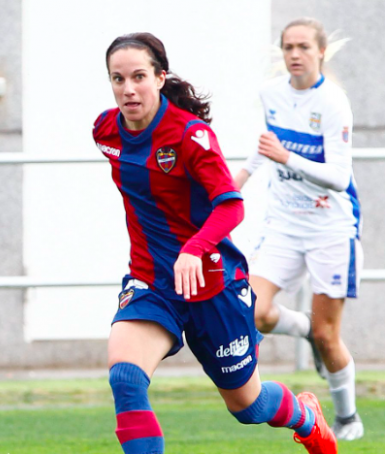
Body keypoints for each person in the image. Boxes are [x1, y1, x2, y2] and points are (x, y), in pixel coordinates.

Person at [93, 32, 337, 454]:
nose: (128, 89)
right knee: (126, 378)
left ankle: (305, 416)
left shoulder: (191, 137)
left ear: (159, 77)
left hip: (213, 284)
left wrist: (192, 249)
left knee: (248, 405)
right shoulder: (105, 131)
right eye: (117, 79)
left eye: (138, 76)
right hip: (153, 281)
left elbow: (230, 206)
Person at [234, 17, 363, 441]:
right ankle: (303, 327)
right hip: (285, 227)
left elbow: (340, 177)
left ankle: (346, 418)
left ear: (320, 52)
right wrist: (231, 188)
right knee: (252, 310)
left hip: (330, 228)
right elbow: (264, 150)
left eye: (303, 47)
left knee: (330, 337)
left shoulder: (334, 104)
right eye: (288, 47)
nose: (294, 54)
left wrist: (287, 157)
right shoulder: (270, 94)